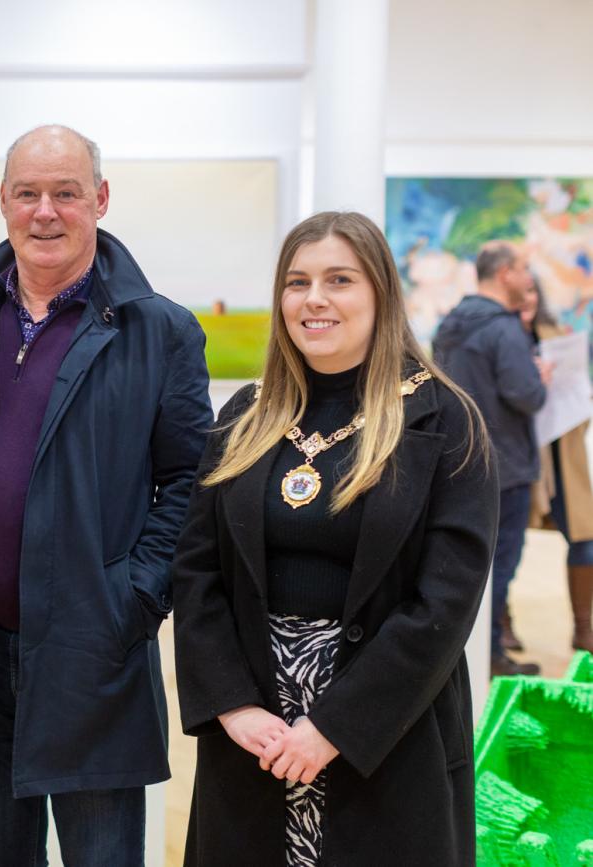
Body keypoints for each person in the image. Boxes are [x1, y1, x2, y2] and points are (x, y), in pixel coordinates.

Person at [0, 125, 213, 866]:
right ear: (5, 202)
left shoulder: (160, 329)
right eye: (28, 193)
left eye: (66, 193)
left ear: (100, 200)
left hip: (93, 655)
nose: (45, 211)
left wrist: (134, 600)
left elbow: (189, 483)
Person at [174, 211, 496, 867]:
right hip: (256, 728)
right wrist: (233, 704)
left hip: (388, 725)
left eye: (339, 279)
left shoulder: (445, 419)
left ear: (380, 292)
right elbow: (196, 572)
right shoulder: (246, 416)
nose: (314, 298)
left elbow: (446, 602)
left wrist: (334, 725)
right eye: (297, 282)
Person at [433, 241, 550, 676]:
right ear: (504, 275)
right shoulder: (505, 329)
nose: (529, 278)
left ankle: (467, 656)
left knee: (465, 564)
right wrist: (540, 380)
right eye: (524, 269)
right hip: (506, 466)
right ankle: (493, 657)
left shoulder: (450, 323)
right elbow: (526, 394)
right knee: (499, 564)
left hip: (458, 462)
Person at [522, 280, 593, 653]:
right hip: (519, 456)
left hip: (563, 454)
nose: (528, 299)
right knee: (508, 547)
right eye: (522, 293)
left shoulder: (556, 336)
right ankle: (501, 624)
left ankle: (583, 629)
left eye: (534, 292)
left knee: (585, 540)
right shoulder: (502, 338)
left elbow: (577, 387)